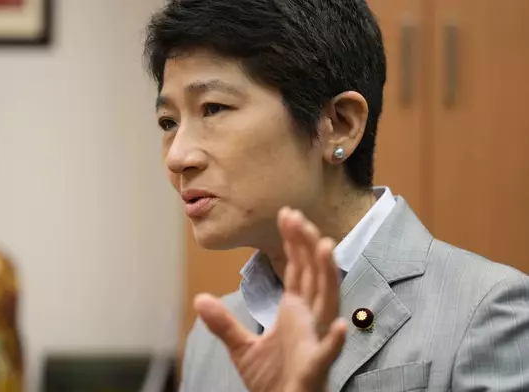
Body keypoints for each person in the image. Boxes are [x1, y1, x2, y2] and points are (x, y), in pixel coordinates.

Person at [143, 0, 529, 391]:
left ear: (340, 125)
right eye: (168, 122)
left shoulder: (485, 309)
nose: (177, 157)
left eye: (213, 108)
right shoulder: (213, 339)